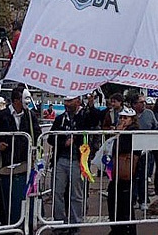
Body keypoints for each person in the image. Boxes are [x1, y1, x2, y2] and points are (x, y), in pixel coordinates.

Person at [0, 87, 41, 228]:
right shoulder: (0, 116)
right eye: (24, 99)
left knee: (16, 194)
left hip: (21, 162)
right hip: (0, 162)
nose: (27, 102)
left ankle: (14, 223)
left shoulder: (30, 116)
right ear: (16, 100)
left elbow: (37, 134)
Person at [48, 95, 100, 234]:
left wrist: (91, 105)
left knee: (76, 194)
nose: (67, 104)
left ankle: (74, 223)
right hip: (61, 160)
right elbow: (50, 138)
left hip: (78, 161)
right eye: (65, 101)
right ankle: (59, 223)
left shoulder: (85, 116)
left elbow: (95, 119)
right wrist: (63, 143)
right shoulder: (60, 119)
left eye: (70, 101)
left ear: (78, 101)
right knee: (57, 192)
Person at [107, 107, 139, 235]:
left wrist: (118, 135)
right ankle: (117, 228)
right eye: (121, 117)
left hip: (126, 170)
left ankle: (126, 230)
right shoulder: (122, 130)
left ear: (132, 119)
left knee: (124, 203)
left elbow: (125, 148)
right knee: (115, 200)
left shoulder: (133, 132)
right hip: (118, 170)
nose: (122, 120)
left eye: (125, 118)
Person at [130, 94, 158, 210]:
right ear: (134, 104)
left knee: (144, 176)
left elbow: (156, 127)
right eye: (141, 102)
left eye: (144, 102)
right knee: (132, 176)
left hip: (146, 150)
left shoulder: (149, 114)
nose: (144, 104)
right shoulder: (129, 115)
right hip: (132, 150)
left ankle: (143, 200)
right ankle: (133, 199)